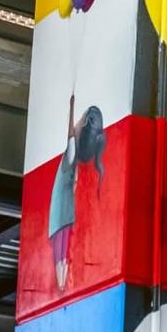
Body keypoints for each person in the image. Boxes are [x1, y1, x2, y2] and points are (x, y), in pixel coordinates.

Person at [48, 96, 105, 292]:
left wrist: (71, 108)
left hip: (61, 211)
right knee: (62, 247)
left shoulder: (71, 152)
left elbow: (70, 133)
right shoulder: (75, 159)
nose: (78, 123)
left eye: (81, 120)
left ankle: (61, 282)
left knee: (60, 248)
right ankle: (62, 281)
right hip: (66, 210)